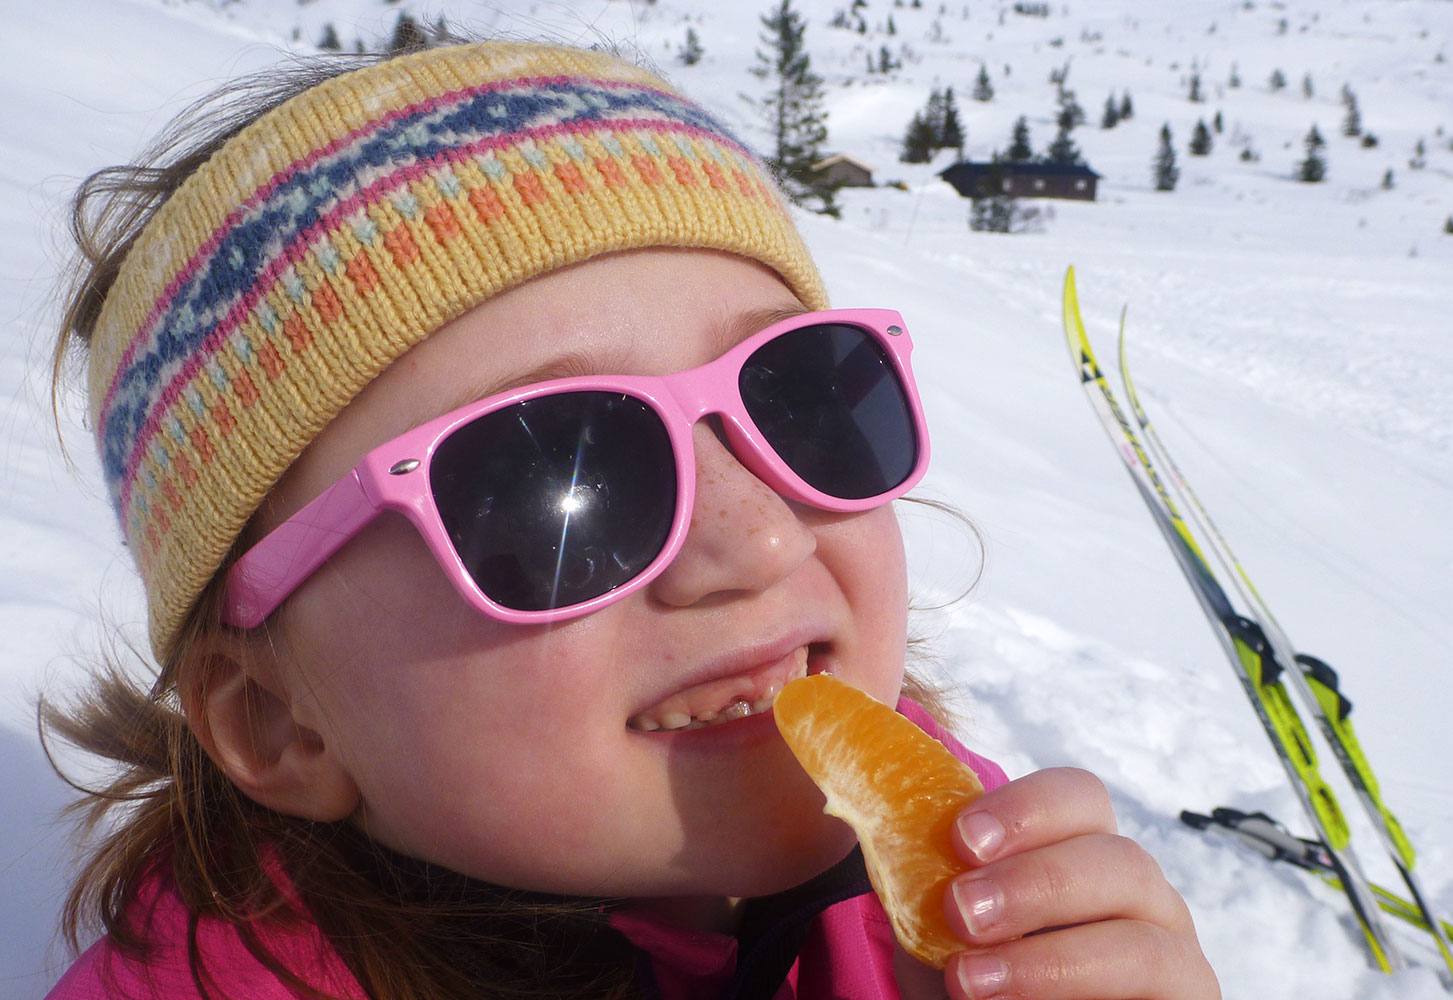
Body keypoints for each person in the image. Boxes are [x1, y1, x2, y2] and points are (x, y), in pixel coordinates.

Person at [42, 38, 1218, 1000]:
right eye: (558, 478)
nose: (760, 538)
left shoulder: (948, 879)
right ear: (279, 720)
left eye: (800, 403)